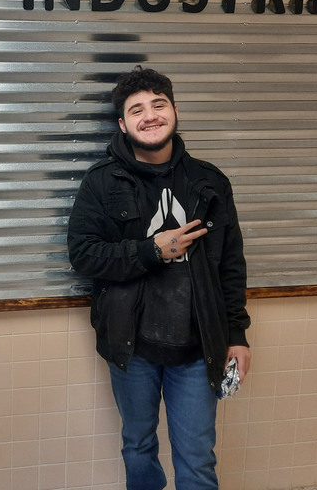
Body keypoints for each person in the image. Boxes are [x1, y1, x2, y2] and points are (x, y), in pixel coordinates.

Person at [67, 65, 251, 490]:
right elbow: (83, 255)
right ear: (123, 124)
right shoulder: (101, 182)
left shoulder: (210, 181)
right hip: (133, 349)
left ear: (174, 111)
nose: (149, 116)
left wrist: (237, 334)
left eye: (158, 105)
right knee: (138, 446)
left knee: (198, 459)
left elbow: (231, 264)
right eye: (136, 110)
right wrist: (152, 251)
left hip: (198, 345)